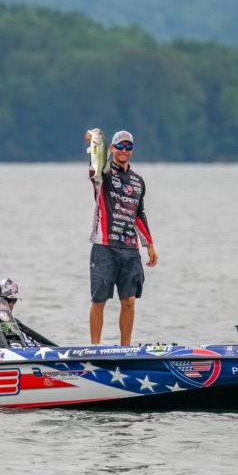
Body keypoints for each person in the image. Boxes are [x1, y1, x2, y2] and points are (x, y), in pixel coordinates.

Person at [88, 130, 158, 345]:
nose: (123, 151)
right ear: (111, 149)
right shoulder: (104, 173)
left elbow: (139, 214)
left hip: (130, 248)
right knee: (99, 299)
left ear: (132, 150)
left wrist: (150, 245)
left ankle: (125, 348)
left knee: (129, 301)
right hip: (105, 246)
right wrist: (91, 139)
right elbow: (94, 169)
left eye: (128, 147)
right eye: (119, 146)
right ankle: (95, 347)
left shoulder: (138, 182)